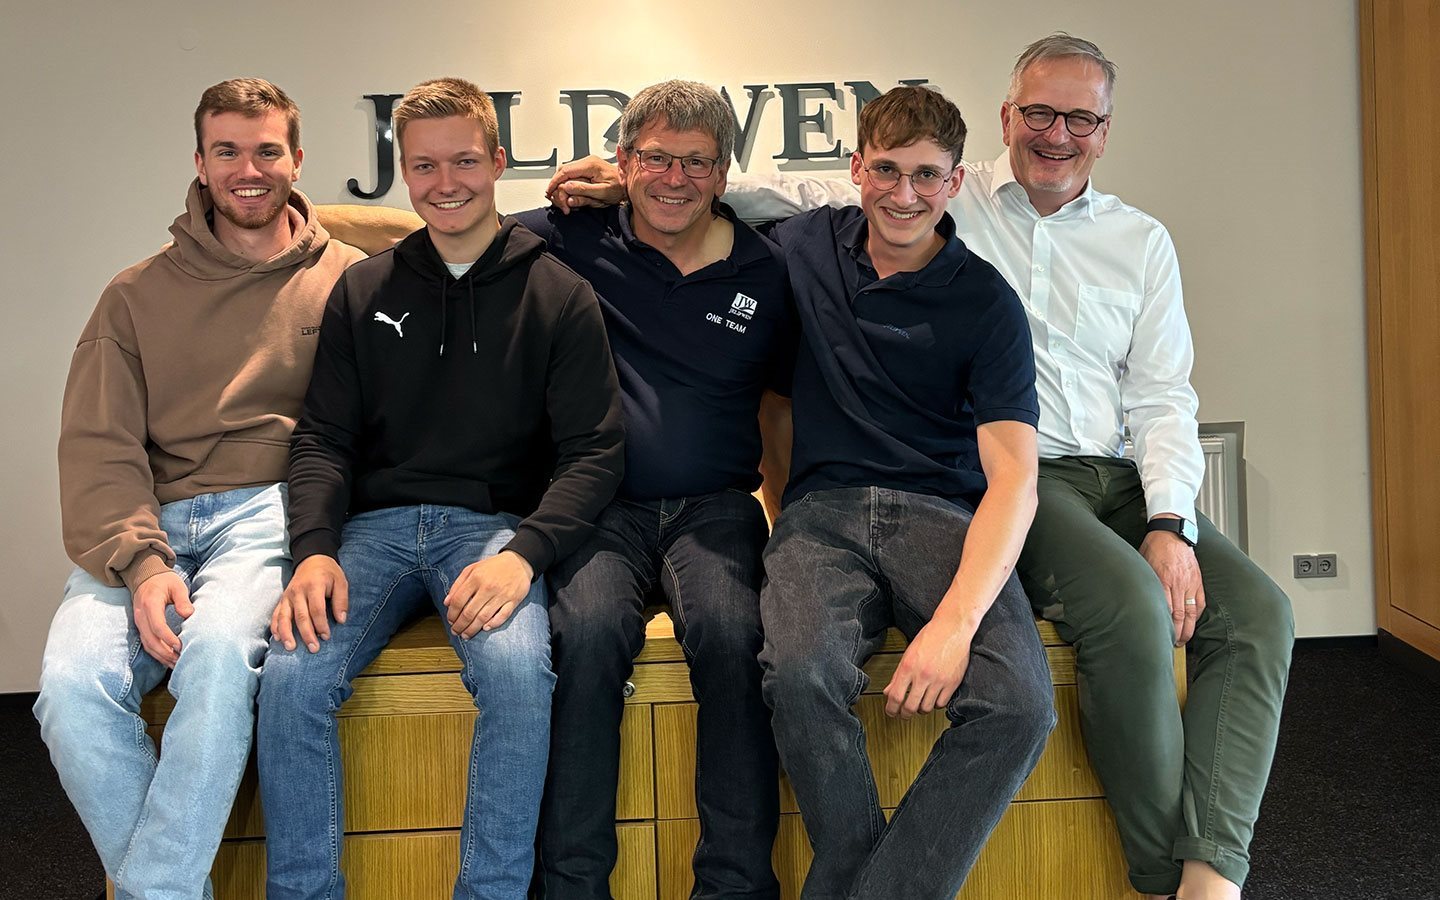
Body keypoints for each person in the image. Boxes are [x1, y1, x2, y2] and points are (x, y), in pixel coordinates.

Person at [658, 34, 1295, 900]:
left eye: (1080, 118)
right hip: (918, 495)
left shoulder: (1104, 252)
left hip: (1035, 485)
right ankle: (1140, 873)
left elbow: (1157, 398)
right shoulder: (850, 229)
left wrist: (1170, 520)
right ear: (1008, 117)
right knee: (812, 672)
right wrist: (646, 176)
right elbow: (765, 190)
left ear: (1105, 130)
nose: (1057, 133)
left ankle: (1209, 870)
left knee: (1249, 618)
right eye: (1040, 112)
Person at [318, 78, 796, 900]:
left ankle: (736, 884)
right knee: (584, 637)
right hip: (597, 507)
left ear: (724, 172)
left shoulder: (766, 268)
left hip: (716, 509)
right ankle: (573, 886)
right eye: (655, 159)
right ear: (623, 160)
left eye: (696, 162)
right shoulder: (569, 237)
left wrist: (782, 526)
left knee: (733, 638)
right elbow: (441, 228)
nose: (674, 179)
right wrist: (295, 216)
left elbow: (779, 410)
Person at [256, 77, 624, 900]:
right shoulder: (364, 290)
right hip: (371, 533)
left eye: (464, 161)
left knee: (519, 674)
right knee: (290, 677)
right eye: (423, 166)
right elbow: (322, 439)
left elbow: (595, 452)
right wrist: (312, 551)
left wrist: (525, 555)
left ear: (497, 162)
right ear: (403, 172)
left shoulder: (560, 295)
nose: (445, 182)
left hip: (491, 532)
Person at [33, 78, 364, 899]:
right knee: (70, 690)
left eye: (266, 151)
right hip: (146, 520)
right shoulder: (135, 295)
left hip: (266, 513)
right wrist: (143, 564)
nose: (248, 170)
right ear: (200, 161)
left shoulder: (350, 279)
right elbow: (99, 447)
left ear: (297, 160)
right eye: (227, 152)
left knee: (217, 661)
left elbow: (444, 242)